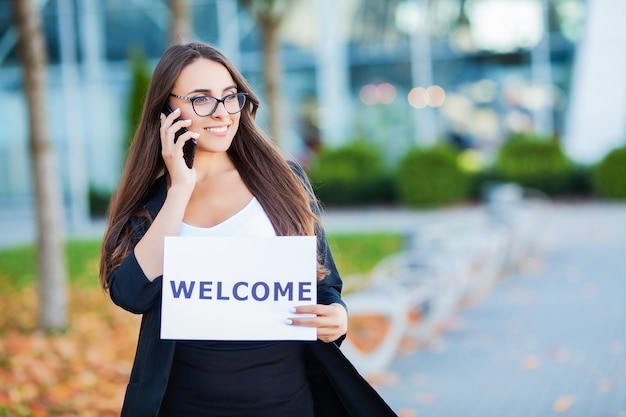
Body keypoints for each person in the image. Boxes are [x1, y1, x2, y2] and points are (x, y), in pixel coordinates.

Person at [99, 42, 397, 417]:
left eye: (229, 97)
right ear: (167, 109)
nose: (222, 113)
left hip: (284, 401)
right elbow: (131, 294)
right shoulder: (154, 201)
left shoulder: (282, 180)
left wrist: (337, 315)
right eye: (201, 99)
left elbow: (323, 284)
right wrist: (180, 190)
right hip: (184, 404)